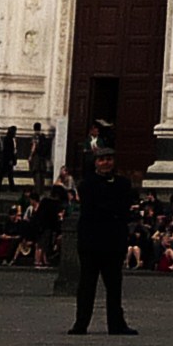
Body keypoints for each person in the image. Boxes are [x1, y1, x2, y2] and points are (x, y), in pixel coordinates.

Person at [68, 144, 139, 335]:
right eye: (102, 159)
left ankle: (116, 324)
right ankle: (81, 323)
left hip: (113, 242)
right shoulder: (87, 184)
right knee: (86, 285)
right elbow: (99, 209)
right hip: (91, 241)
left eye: (109, 159)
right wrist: (114, 211)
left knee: (114, 286)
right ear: (96, 163)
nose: (106, 162)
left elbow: (123, 208)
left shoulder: (123, 183)